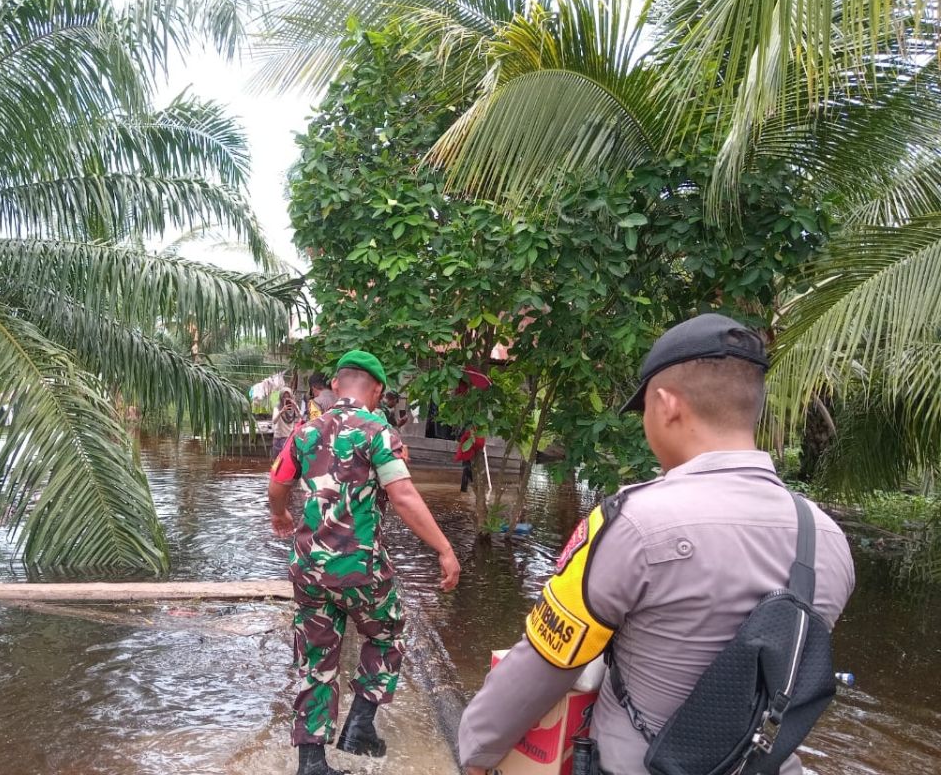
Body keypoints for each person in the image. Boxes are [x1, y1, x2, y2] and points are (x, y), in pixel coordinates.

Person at [458, 314, 855, 775]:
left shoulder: (635, 523)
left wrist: (476, 751)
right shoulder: (827, 538)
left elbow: (549, 661)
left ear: (666, 405)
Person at [269, 350, 461, 775]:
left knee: (316, 656)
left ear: (336, 385)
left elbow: (278, 481)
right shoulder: (379, 431)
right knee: (387, 632)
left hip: (309, 568)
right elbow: (404, 495)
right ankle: (359, 727)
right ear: (377, 390)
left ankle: (312, 762)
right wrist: (444, 549)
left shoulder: (304, 431)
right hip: (359, 567)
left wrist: (279, 515)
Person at [272, 387, 300, 458]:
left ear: (291, 397)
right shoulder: (278, 407)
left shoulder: (294, 406)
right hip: (279, 437)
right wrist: (281, 411)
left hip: (289, 437)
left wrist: (296, 408)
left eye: (288, 397)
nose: (286, 399)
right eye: (284, 397)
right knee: (277, 461)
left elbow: (301, 418)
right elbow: (274, 421)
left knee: (287, 459)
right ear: (281, 397)